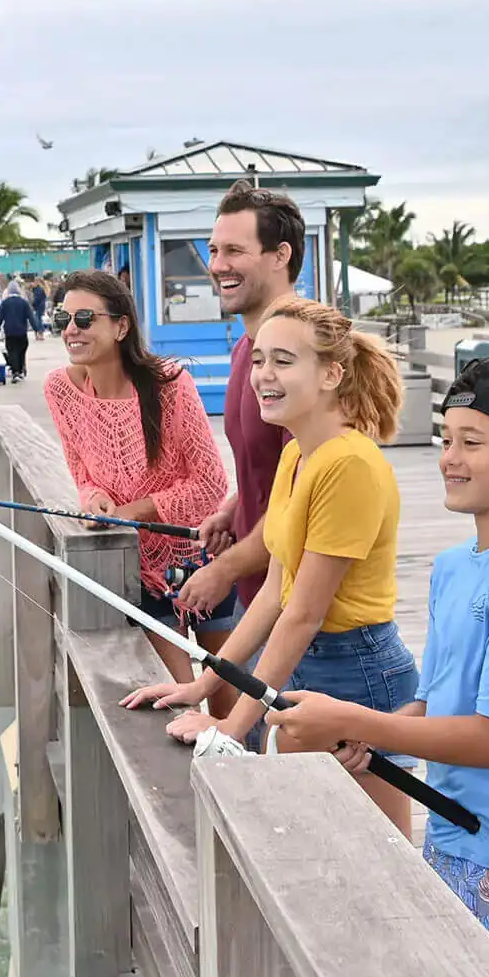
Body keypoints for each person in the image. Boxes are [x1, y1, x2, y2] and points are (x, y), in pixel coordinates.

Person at [265, 358, 489, 977]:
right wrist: (372, 745)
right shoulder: (453, 566)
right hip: (450, 839)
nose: (450, 458)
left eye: (472, 443)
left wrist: (354, 721)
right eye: (446, 439)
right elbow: (435, 703)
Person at [122, 297, 419, 832]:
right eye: (258, 360)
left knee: (384, 855)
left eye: (284, 360)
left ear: (332, 373)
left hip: (358, 671)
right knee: (315, 844)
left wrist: (233, 730)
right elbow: (272, 592)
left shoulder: (348, 463)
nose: (263, 375)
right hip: (304, 662)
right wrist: (203, 685)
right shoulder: (298, 453)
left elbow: (303, 612)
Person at [43, 270, 230, 684]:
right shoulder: (59, 389)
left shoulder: (170, 384)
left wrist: (135, 509)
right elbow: (82, 474)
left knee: (230, 704)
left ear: (121, 325)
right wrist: (93, 500)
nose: (71, 330)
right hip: (137, 568)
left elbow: (211, 483)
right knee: (181, 700)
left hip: (205, 557)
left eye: (85, 319)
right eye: (63, 319)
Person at [169, 182, 305, 701]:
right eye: (213, 250)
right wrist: (234, 506)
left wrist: (223, 568)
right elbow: (274, 467)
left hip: (303, 616)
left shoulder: (299, 355)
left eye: (234, 251)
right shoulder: (249, 347)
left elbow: (308, 500)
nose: (217, 264)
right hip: (260, 594)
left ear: (280, 256)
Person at [0, 279, 41, 382]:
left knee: (12, 351)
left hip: (9, 332)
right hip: (22, 332)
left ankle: (15, 372)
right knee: (21, 351)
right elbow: (31, 317)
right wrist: (37, 330)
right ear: (18, 291)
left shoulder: (4, 303)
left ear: (9, 291)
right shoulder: (24, 303)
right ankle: (20, 370)